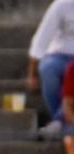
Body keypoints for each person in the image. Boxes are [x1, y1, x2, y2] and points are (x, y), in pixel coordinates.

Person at [27, 0, 74, 139]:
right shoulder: (62, 5)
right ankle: (63, 122)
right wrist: (32, 73)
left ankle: (59, 123)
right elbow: (42, 38)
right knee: (48, 68)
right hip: (60, 55)